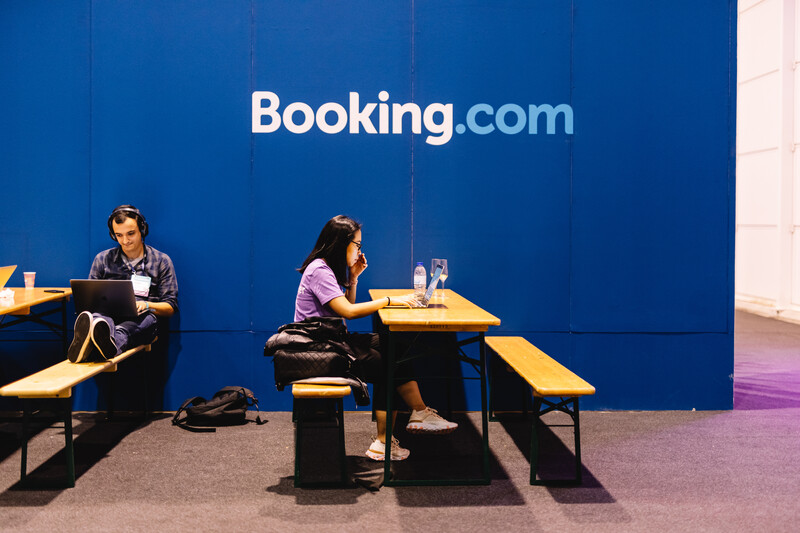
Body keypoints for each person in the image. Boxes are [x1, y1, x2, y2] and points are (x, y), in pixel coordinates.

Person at [295, 215, 457, 461]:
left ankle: (417, 414)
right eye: (357, 244)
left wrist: (353, 277)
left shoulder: (326, 268)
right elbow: (349, 311)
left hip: (331, 339)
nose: (360, 250)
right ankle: (387, 440)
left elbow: (345, 306)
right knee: (388, 363)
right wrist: (391, 300)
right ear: (341, 243)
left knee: (395, 346)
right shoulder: (319, 269)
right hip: (319, 348)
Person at [67, 205, 178, 363]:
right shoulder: (103, 259)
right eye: (119, 235)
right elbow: (89, 300)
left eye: (131, 234)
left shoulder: (161, 261)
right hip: (107, 318)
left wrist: (147, 305)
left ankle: (104, 344)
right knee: (97, 318)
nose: (125, 241)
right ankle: (99, 340)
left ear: (142, 230)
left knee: (145, 321)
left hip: (141, 321)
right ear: (113, 235)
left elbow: (170, 306)